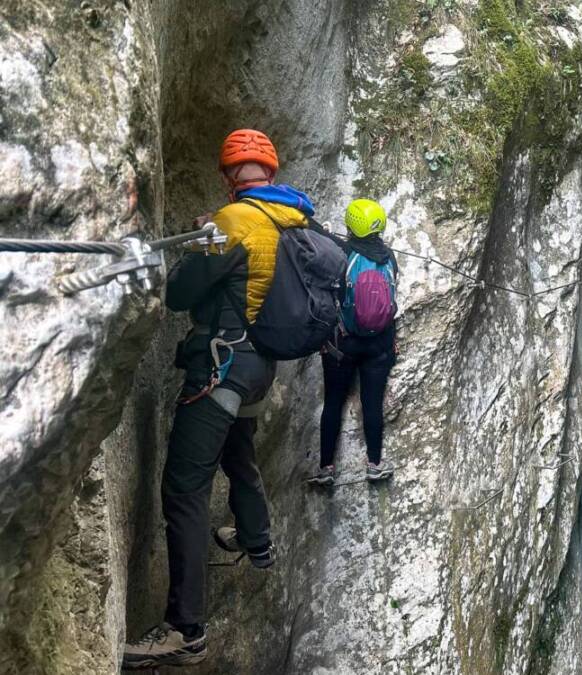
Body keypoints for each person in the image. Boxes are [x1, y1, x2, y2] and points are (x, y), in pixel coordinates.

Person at [122, 129, 318, 670]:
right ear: (270, 172)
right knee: (239, 451)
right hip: (261, 369)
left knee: (184, 488)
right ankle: (256, 540)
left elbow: (181, 294)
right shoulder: (295, 220)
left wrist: (197, 242)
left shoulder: (233, 222)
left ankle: (186, 631)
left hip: (220, 368)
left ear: (230, 175)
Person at [308, 199, 398, 487]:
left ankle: (326, 468)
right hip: (380, 345)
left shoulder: (341, 254)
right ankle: (374, 464)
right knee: (372, 404)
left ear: (351, 225)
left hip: (343, 344)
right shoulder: (390, 258)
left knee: (333, 402)